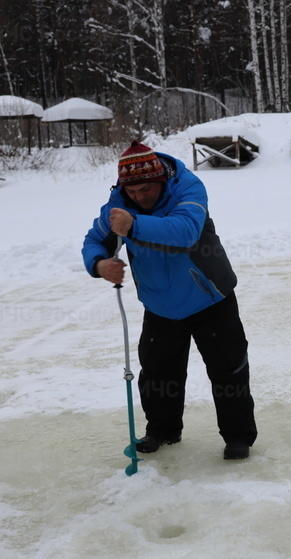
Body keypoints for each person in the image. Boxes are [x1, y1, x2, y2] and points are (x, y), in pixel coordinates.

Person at [82, 141, 257, 460]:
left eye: (146, 189)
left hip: (210, 298)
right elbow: (96, 239)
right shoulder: (119, 204)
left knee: (228, 370)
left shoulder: (188, 189)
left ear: (161, 179)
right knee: (158, 373)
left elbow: (185, 231)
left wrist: (134, 225)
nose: (139, 197)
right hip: (160, 304)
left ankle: (238, 436)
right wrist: (99, 263)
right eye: (132, 191)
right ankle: (162, 430)